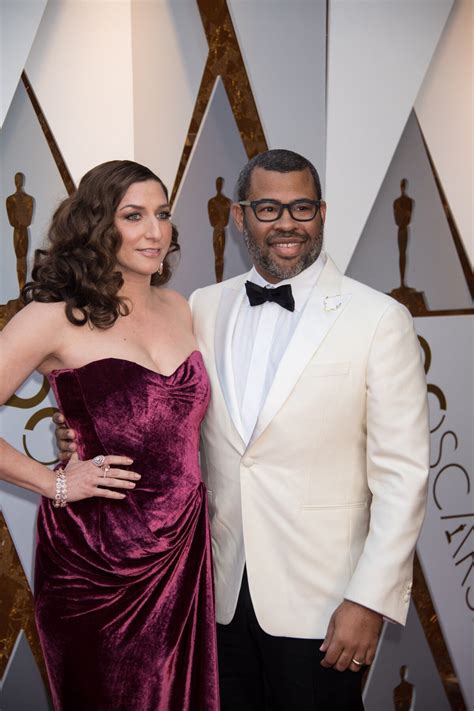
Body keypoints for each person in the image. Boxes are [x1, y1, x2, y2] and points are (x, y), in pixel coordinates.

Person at [57, 150, 429, 710]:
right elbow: (163, 411)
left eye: (301, 207)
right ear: (239, 217)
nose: (286, 223)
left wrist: (369, 601)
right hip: (211, 597)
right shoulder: (201, 307)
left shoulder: (378, 319)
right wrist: (86, 437)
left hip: (325, 606)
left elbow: (403, 477)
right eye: (268, 208)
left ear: (322, 213)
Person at [1, 160, 219, 711]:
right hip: (96, 565)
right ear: (99, 225)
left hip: (184, 553)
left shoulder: (182, 308)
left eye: (163, 214)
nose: (155, 231)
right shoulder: (53, 317)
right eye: (133, 215)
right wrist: (55, 483)